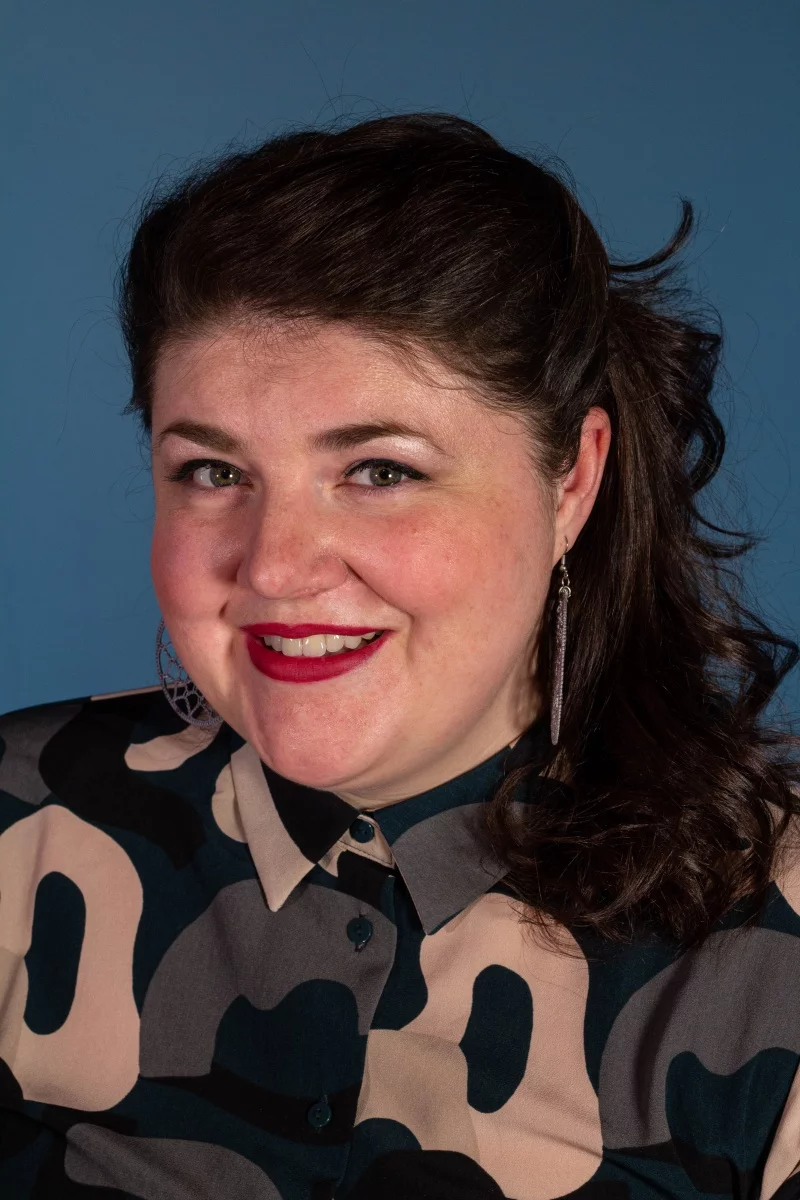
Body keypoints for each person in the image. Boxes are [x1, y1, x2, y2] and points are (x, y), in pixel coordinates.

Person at [1, 111, 799, 1200]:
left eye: (380, 472)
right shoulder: (18, 830)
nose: (274, 567)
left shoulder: (772, 947)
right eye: (213, 473)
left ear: (571, 481)